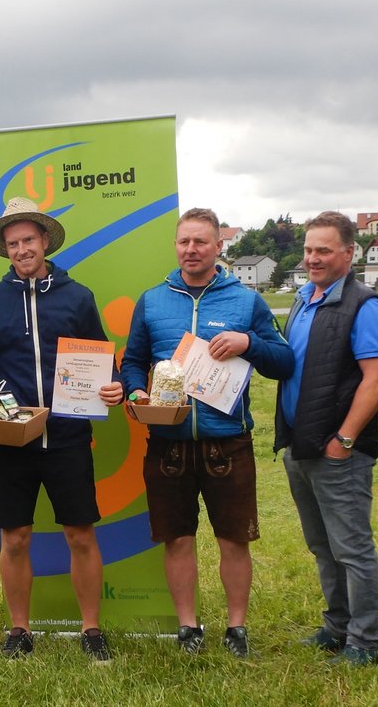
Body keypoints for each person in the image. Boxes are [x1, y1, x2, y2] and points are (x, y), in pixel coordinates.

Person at [0, 197, 126, 660]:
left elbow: (101, 359)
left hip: (69, 437)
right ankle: (19, 630)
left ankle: (91, 630)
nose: (21, 250)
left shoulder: (78, 297)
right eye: (13, 244)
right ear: (5, 249)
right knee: (14, 538)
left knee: (80, 534)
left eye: (28, 240)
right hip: (11, 440)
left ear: (45, 240)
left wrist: (113, 383)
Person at [121, 207, 293, 658]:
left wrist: (249, 343)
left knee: (233, 539)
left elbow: (284, 361)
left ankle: (237, 627)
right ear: (175, 246)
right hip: (168, 442)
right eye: (184, 241)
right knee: (177, 538)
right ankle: (187, 627)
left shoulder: (246, 302)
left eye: (200, 241)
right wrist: (136, 391)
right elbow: (132, 361)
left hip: (227, 443)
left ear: (219, 246)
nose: (191, 249)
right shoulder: (152, 301)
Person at [275, 212, 378, 667]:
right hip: (301, 445)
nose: (313, 258)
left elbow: (376, 381)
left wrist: (344, 439)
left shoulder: (366, 306)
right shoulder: (304, 298)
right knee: (322, 546)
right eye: (308, 250)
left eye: (323, 250)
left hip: (338, 451)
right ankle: (337, 626)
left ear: (349, 253)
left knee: (351, 549)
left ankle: (365, 641)